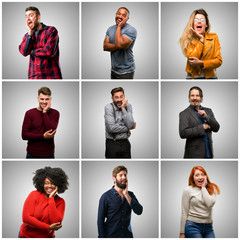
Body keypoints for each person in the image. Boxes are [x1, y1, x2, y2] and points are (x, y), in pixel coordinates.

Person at [19, 166, 69, 238]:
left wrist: (51, 198)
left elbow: (56, 223)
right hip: (26, 236)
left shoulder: (60, 201)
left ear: (58, 185)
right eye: (46, 183)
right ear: (42, 184)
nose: (49, 186)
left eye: (52, 183)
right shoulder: (34, 194)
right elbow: (26, 218)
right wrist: (48, 227)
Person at [97, 165, 143, 238]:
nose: (124, 177)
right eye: (120, 175)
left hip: (127, 236)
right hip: (111, 236)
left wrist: (126, 195)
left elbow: (139, 211)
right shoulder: (105, 196)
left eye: (125, 175)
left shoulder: (130, 195)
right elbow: (100, 221)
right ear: (114, 178)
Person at [19, 6, 62, 79]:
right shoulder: (27, 36)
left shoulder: (51, 30)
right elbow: (24, 52)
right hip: (34, 76)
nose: (28, 18)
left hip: (52, 76)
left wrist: (32, 52)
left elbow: (48, 51)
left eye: (31, 15)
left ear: (38, 17)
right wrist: (30, 33)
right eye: (26, 16)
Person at [179, 9, 222, 79]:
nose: (199, 21)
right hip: (193, 77)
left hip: (211, 77)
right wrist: (201, 40)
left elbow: (219, 61)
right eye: (196, 20)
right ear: (192, 24)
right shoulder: (188, 39)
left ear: (206, 25)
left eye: (202, 20)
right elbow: (192, 60)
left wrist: (201, 63)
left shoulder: (214, 37)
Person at [179, 86, 220, 158]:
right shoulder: (184, 113)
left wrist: (206, 117)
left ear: (201, 98)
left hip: (209, 153)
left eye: (197, 95)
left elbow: (216, 128)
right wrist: (202, 127)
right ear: (189, 98)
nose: (194, 98)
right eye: (192, 95)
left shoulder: (208, 111)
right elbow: (183, 133)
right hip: (193, 155)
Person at [180, 166, 220, 238]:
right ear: (193, 178)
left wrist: (203, 188)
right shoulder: (188, 190)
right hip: (192, 226)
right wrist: (182, 233)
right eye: (197, 175)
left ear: (206, 176)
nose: (200, 177)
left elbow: (209, 204)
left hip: (209, 227)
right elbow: (184, 212)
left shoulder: (212, 188)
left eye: (202, 174)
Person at [22, 87, 60, 158]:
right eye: (42, 99)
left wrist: (44, 112)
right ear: (38, 98)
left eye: (47, 99)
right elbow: (24, 135)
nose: (44, 102)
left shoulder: (55, 113)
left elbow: (51, 130)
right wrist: (42, 136)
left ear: (50, 99)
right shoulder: (29, 113)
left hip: (49, 154)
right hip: (32, 154)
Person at [103, 7, 137, 79]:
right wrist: (119, 46)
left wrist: (119, 27)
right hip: (114, 69)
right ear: (116, 14)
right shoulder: (110, 29)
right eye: (119, 14)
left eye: (123, 15)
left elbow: (119, 44)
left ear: (127, 18)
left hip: (126, 71)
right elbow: (105, 46)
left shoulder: (131, 30)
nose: (120, 16)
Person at [104, 87, 136, 158]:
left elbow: (130, 124)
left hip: (126, 143)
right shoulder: (108, 107)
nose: (119, 99)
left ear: (124, 97)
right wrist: (129, 128)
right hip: (113, 143)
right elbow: (111, 128)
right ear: (112, 98)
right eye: (116, 97)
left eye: (121, 97)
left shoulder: (128, 106)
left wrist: (123, 108)